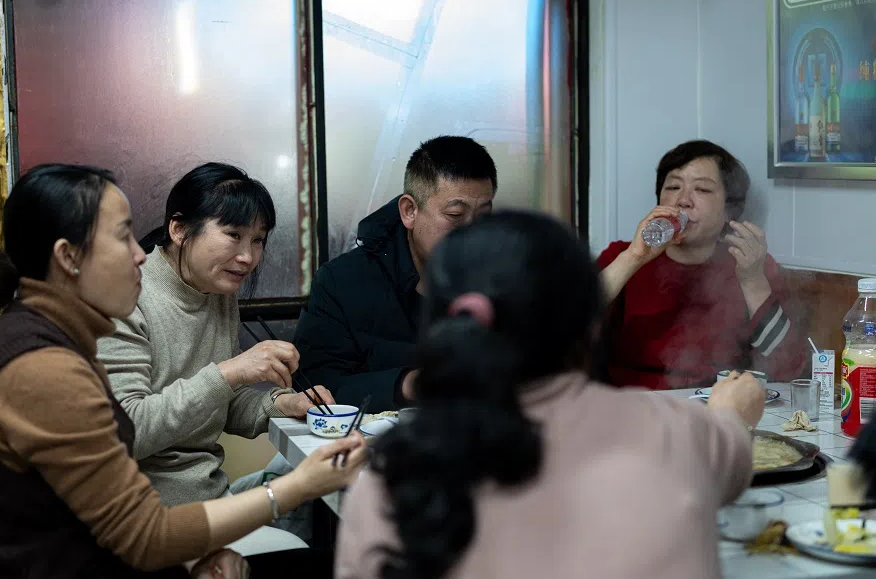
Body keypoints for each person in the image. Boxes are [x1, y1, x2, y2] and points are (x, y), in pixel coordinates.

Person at [0, 163, 367, 577]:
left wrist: (279, 403)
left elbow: (118, 518)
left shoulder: (52, 335)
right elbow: (142, 532)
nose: (139, 252)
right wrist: (297, 487)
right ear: (68, 257)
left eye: (259, 241)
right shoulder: (45, 366)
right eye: (122, 235)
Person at [334, 210, 766, 579]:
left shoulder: (385, 484)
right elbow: (732, 456)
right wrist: (732, 414)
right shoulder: (674, 429)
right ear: (591, 327)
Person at [97, 163, 331, 541]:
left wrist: (279, 404)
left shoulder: (216, 290)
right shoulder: (127, 298)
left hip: (210, 498)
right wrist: (230, 372)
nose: (248, 257)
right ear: (179, 230)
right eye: (233, 234)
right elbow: (129, 430)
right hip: (146, 519)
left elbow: (220, 403)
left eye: (258, 240)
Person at [293, 135, 497, 412]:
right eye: (455, 215)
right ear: (409, 211)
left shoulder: (502, 278)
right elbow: (314, 386)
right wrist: (408, 384)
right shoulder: (343, 281)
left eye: (483, 216)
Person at [597, 140, 806, 390]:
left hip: (715, 408)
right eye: (673, 187)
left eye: (703, 190)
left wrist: (752, 281)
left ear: (730, 210)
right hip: (633, 407)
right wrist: (633, 258)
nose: (682, 200)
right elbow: (565, 325)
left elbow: (789, 369)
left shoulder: (748, 263)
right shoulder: (622, 255)